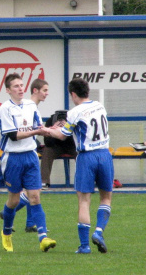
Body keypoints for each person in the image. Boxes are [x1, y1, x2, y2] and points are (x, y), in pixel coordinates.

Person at [43, 78, 113, 254]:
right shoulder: (100, 106)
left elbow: (61, 135)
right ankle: (98, 232)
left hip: (86, 157)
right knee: (105, 198)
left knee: (84, 201)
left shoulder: (74, 112)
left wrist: (46, 130)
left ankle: (84, 246)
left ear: (73, 94)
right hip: (105, 155)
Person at [0, 73, 56, 253]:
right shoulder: (5, 108)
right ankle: (6, 233)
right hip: (13, 158)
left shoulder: (31, 105)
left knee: (35, 196)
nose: (20, 88)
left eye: (22, 85)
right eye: (16, 86)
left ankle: (43, 238)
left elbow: (38, 126)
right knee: (14, 200)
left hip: (30, 156)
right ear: (8, 90)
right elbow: (13, 135)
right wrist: (35, 132)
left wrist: (48, 130)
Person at [41, 110, 77, 188]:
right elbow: (47, 143)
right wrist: (54, 131)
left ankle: (84, 180)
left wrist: (67, 130)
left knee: (80, 153)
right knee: (47, 151)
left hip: (72, 146)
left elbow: (76, 140)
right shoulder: (50, 121)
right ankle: (44, 182)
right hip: (56, 146)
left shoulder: (73, 120)